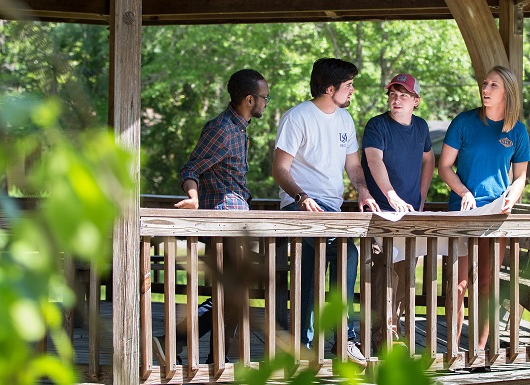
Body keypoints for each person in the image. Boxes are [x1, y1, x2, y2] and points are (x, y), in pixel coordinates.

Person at [152, 68, 269, 365]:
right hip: (222, 222)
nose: (266, 103)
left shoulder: (240, 129)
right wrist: (193, 197)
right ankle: (195, 350)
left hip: (237, 221)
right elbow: (191, 168)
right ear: (248, 99)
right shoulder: (221, 129)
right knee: (230, 294)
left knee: (233, 296)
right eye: (264, 98)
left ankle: (208, 354)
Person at [272, 58, 379, 366]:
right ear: (330, 88)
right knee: (328, 262)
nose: (353, 91)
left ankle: (324, 342)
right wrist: (301, 196)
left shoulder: (345, 120)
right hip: (299, 205)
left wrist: (363, 190)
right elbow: (280, 168)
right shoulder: (298, 117)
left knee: (331, 263)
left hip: (331, 210)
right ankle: (325, 343)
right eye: (348, 86)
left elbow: (353, 165)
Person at [438, 65, 530, 354]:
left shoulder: (517, 131)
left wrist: (511, 198)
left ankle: (478, 350)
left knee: (487, 284)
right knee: (458, 284)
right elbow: (444, 167)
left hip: (495, 215)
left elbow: (520, 176)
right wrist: (463, 192)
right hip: (462, 212)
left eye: (493, 86)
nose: (485, 89)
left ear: (507, 93)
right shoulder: (464, 122)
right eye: (485, 83)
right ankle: (452, 348)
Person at [360, 73, 434, 353]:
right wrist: (391, 195)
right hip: (379, 216)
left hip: (410, 217)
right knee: (383, 278)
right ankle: (383, 339)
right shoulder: (377, 125)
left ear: (416, 101)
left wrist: (422, 196)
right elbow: (373, 159)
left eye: (404, 95)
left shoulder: (421, 127)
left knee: (404, 279)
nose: (396, 99)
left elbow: (429, 158)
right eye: (393, 94)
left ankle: (395, 332)